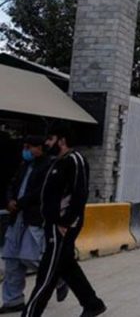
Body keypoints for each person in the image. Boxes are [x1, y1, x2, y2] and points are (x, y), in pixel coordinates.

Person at [23, 128, 106, 317]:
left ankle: (30, 314)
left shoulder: (74, 160)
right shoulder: (57, 162)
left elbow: (80, 193)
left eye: (50, 139)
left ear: (62, 140)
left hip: (62, 226)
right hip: (52, 224)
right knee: (66, 266)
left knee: (47, 273)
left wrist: (66, 221)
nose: (46, 143)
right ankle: (92, 304)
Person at [1, 136, 51, 314]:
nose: (26, 150)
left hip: (33, 219)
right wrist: (9, 200)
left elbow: (40, 192)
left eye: (28, 147)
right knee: (11, 259)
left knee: (29, 257)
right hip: (17, 218)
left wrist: (21, 203)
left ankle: (59, 274)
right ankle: (13, 300)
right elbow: (12, 185)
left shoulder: (48, 167)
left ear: (39, 148)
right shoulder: (24, 166)